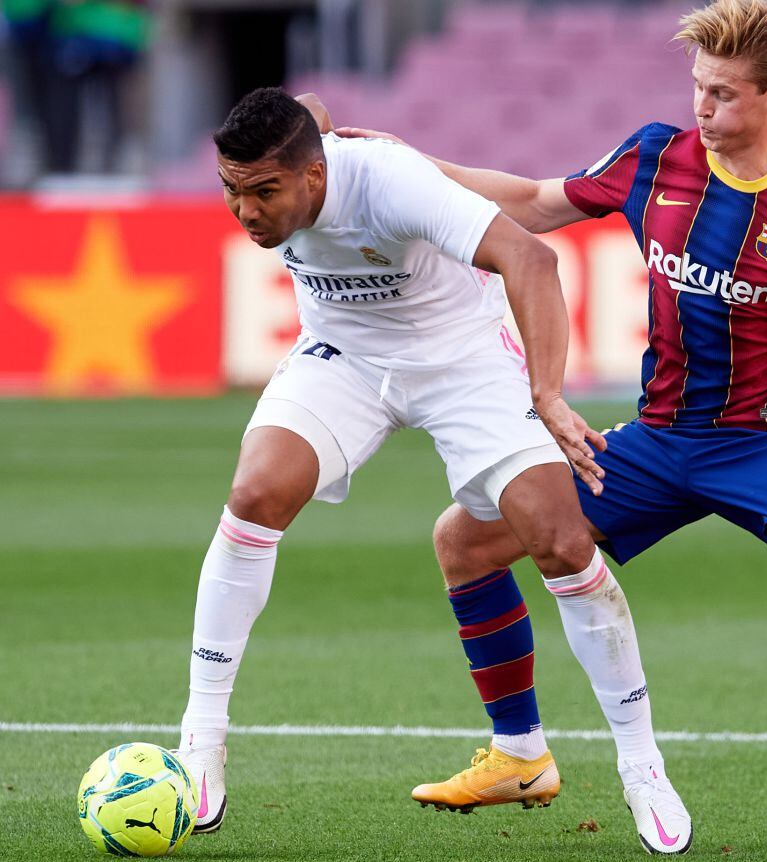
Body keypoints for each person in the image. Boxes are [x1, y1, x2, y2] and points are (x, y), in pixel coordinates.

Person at [332, 1, 767, 859]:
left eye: (725, 96)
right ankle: (520, 753)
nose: (703, 110)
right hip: (661, 441)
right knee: (465, 541)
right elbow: (531, 200)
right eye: (698, 89)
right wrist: (404, 165)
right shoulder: (653, 157)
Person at [175, 87, 685, 846]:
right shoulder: (294, 154)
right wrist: (309, 114)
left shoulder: (389, 181)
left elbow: (531, 257)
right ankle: (201, 741)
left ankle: (641, 764)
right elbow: (307, 109)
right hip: (345, 355)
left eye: (263, 192)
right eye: (231, 191)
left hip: (463, 360)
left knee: (559, 538)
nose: (246, 212)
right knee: (255, 493)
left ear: (316, 176)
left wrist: (545, 393)